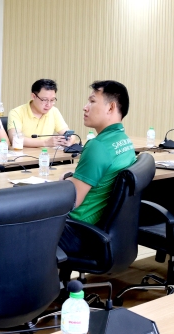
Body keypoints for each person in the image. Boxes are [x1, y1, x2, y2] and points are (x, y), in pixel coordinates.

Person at [59, 81, 136, 255]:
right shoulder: (125, 142)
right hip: (101, 230)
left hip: (79, 231)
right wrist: (72, 179)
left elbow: (72, 201)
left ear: (111, 107)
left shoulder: (98, 146)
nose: (85, 107)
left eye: (92, 101)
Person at [7, 79, 71, 148]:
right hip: (24, 154)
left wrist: (68, 141)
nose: (49, 104)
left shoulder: (54, 111)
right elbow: (15, 139)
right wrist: (45, 143)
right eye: (44, 100)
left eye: (52, 100)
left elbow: (70, 135)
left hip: (46, 154)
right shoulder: (16, 113)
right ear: (33, 96)